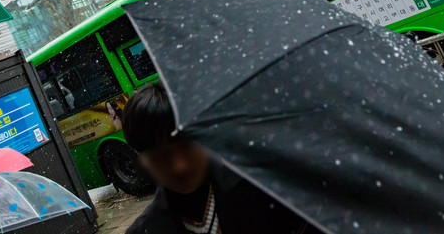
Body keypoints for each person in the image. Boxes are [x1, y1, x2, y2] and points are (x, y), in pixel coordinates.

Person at [123, 82, 318, 234]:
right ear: (143, 159)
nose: (180, 166)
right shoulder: (148, 229)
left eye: (186, 147)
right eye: (162, 158)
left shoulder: (269, 188)